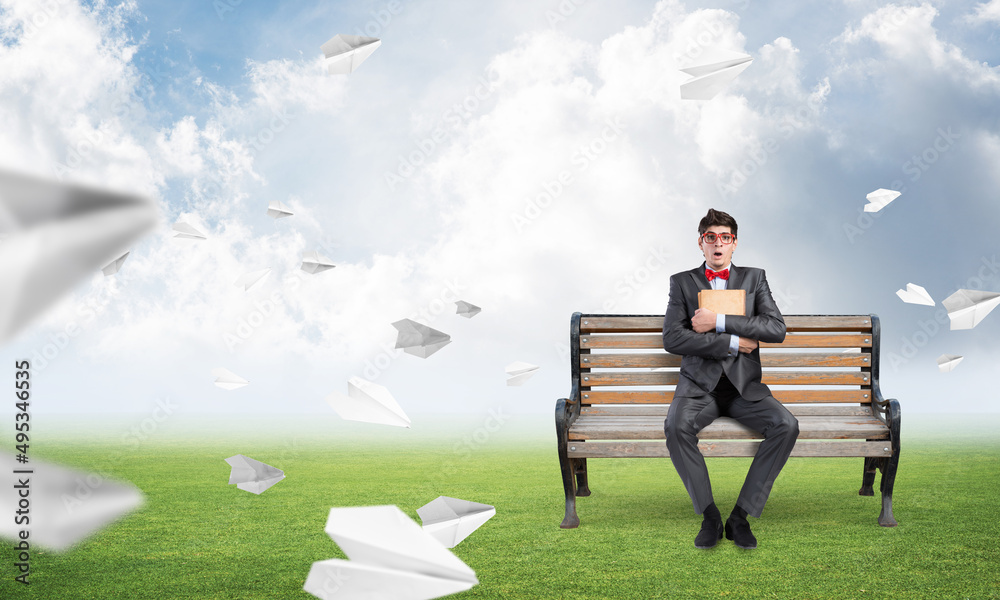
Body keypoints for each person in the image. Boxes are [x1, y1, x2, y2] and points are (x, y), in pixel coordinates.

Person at [661, 208, 798, 549]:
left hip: (744, 390)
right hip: (698, 389)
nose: (717, 243)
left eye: (725, 237)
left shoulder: (755, 278)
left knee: (787, 425)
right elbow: (673, 339)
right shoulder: (682, 282)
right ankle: (710, 516)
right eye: (711, 237)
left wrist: (719, 320)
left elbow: (775, 329)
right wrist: (733, 341)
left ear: (734, 244)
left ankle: (740, 517)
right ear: (701, 243)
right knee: (675, 427)